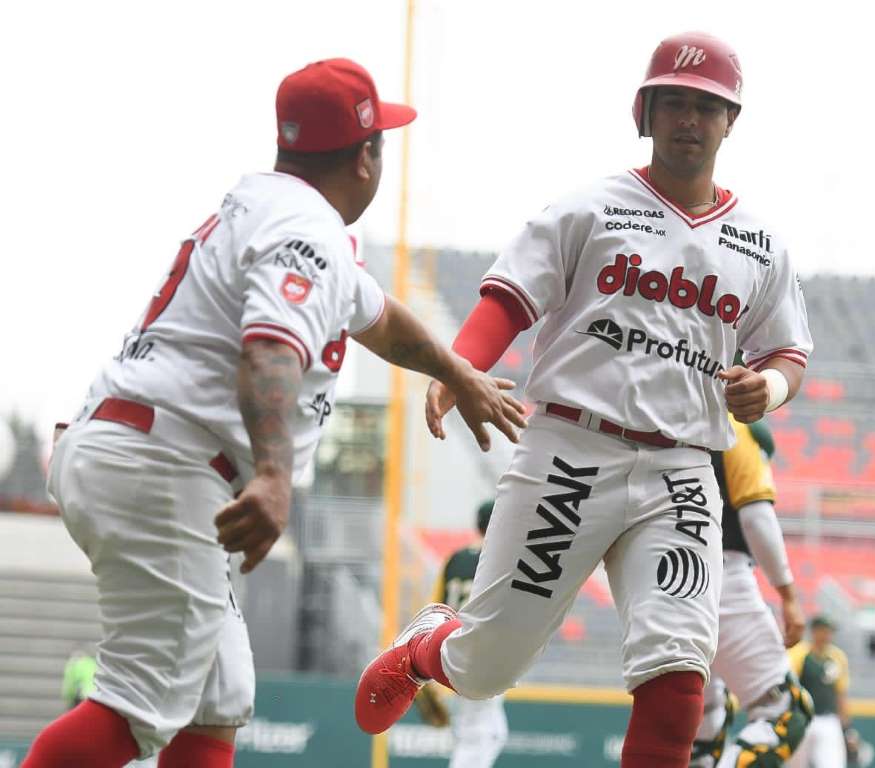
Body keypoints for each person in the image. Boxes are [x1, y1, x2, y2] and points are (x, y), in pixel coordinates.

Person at [23, 57, 524, 768]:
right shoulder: (307, 228)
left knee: (218, 693)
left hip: (143, 447)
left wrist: (457, 372)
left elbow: (380, 320)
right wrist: (274, 475)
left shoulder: (280, 214)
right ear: (366, 155)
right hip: (166, 462)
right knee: (139, 701)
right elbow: (270, 348)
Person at [355, 31, 813, 767]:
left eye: (706, 106)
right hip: (572, 449)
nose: (689, 120)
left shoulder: (760, 244)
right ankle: (427, 646)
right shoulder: (590, 209)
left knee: (680, 674)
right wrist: (460, 369)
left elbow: (788, 352)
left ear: (731, 122)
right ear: (645, 112)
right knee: (486, 666)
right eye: (673, 103)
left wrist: (775, 387)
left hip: (683, 469)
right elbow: (510, 296)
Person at [691, 415, 813, 768]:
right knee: (785, 714)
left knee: (700, 714)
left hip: (663, 576)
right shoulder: (733, 424)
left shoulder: (668, 407)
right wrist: (788, 595)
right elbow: (756, 516)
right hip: (721, 574)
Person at [416, 500, 510, 768]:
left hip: (452, 653)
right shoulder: (500, 559)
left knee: (492, 732)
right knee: (476, 736)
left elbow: (437, 610)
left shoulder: (455, 560)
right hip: (486, 655)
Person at [786, 617, 855, 768]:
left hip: (828, 719)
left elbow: (841, 694)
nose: (827, 635)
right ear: (814, 631)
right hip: (802, 719)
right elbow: (789, 688)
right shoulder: (799, 653)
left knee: (832, 764)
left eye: (830, 632)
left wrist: (848, 729)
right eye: (824, 631)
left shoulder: (837, 656)